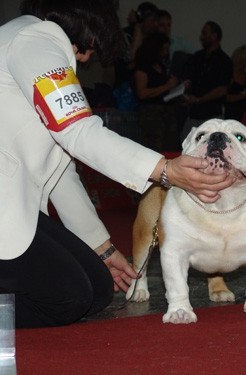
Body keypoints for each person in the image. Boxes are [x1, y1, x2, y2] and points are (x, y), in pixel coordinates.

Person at [0, 0, 234, 329]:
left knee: (97, 288)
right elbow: (79, 132)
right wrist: (166, 170)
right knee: (68, 299)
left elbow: (61, 168)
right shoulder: (36, 40)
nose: (91, 55)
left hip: (14, 207)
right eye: (96, 44)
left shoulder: (25, 38)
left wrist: (104, 248)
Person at [180, 21, 233, 141]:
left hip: (212, 115)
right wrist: (185, 94)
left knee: (213, 146)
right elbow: (187, 80)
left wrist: (198, 99)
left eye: (204, 33)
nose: (201, 36)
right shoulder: (197, 57)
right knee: (186, 143)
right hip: (193, 114)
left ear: (214, 36)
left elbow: (222, 90)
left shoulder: (224, 61)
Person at [134, 32, 181, 152]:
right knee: (155, 148)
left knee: (171, 147)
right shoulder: (143, 68)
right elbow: (142, 93)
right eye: (164, 49)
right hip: (151, 115)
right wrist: (166, 86)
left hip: (167, 112)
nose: (166, 52)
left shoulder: (161, 66)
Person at [225, 44, 246, 121]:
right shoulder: (229, 74)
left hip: (243, 114)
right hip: (230, 114)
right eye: (245, 61)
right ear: (239, 58)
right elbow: (224, 97)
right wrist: (241, 96)